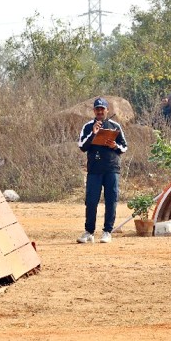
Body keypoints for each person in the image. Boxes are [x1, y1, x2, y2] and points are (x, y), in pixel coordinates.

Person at [76, 97, 128, 243]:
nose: (100, 112)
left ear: (107, 110)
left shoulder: (115, 126)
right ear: (94, 111)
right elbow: (82, 146)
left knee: (111, 200)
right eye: (97, 109)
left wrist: (115, 146)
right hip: (94, 169)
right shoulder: (87, 127)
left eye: (102, 109)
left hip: (112, 168)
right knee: (91, 201)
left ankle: (107, 232)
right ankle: (89, 232)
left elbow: (124, 146)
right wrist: (93, 133)